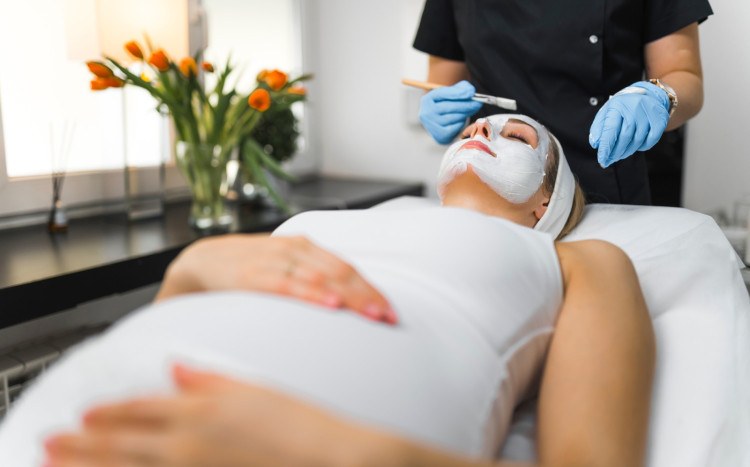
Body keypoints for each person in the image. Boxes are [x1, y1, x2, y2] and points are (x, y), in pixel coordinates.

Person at [5, 114, 654, 467]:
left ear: (547, 200)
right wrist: (191, 268)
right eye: (471, 129)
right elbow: (196, 316)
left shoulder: (580, 260)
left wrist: (349, 452)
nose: (481, 130)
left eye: (516, 136)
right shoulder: (327, 221)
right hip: (71, 423)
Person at [413, 0, 712, 204]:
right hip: (490, 190)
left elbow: (684, 76)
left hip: (603, 186)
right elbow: (441, 82)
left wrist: (659, 97)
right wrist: (442, 112)